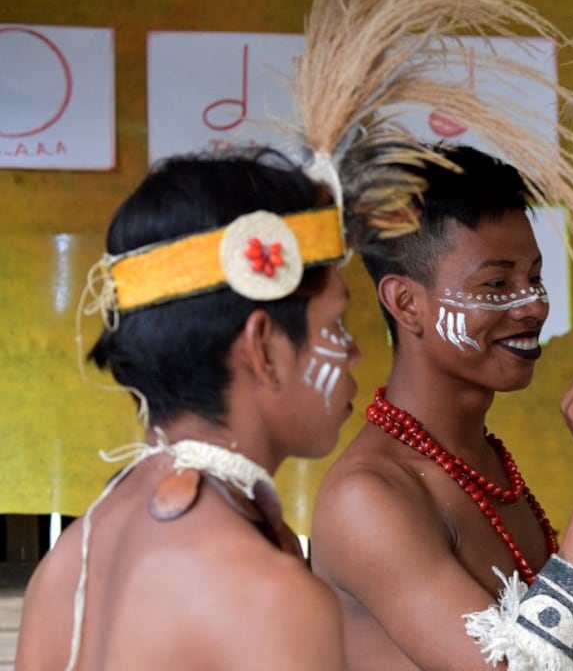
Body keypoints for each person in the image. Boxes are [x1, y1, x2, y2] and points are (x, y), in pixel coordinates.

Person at [309, 142, 573, 671]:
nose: (533, 304)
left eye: (534, 277)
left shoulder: (478, 461)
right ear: (406, 303)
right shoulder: (368, 498)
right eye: (497, 284)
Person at [15, 152, 361, 670]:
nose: (353, 351)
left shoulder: (71, 559)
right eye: (336, 325)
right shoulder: (267, 595)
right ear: (263, 348)